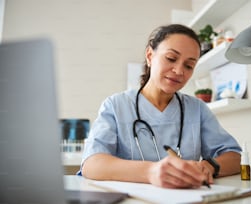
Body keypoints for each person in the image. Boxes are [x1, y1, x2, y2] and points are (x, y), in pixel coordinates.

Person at [80, 24, 241, 189]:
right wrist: (150, 172)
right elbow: (92, 164)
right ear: (150, 56)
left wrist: (208, 166)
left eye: (188, 66)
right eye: (171, 58)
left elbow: (235, 157)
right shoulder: (116, 106)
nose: (179, 70)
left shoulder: (196, 109)